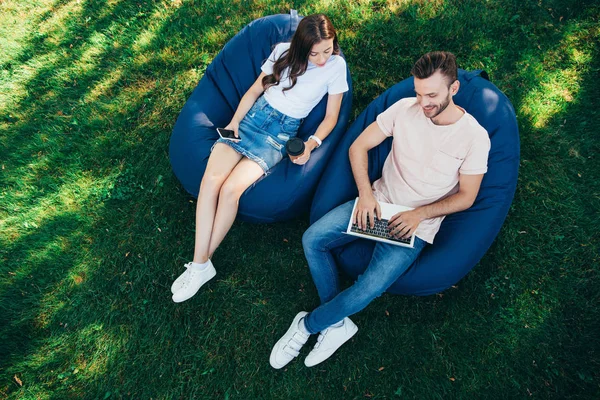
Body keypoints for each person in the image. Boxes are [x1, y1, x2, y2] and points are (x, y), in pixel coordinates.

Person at [270, 51, 491, 369]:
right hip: (377, 203)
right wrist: (365, 195)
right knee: (312, 239)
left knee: (369, 286)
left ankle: (307, 325)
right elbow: (358, 146)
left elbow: (468, 196)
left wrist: (419, 215)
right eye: (418, 92)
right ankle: (336, 324)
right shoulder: (405, 109)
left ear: (453, 89)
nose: (423, 103)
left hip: (413, 225)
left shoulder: (474, 137)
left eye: (431, 95)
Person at [170, 14, 348, 303]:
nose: (321, 59)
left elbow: (331, 118)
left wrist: (311, 144)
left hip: (279, 134)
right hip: (253, 118)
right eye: (314, 53)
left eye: (327, 50)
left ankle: (201, 265)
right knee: (210, 181)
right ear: (302, 47)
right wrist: (235, 123)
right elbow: (255, 90)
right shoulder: (282, 52)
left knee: (231, 191)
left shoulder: (336, 67)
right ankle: (201, 264)